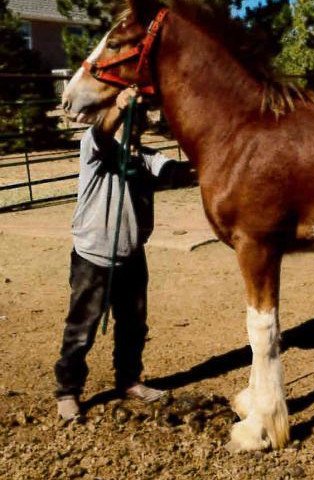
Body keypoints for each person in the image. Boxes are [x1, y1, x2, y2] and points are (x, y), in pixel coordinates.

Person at [55, 87, 192, 421]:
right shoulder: (95, 146)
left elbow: (178, 173)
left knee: (133, 325)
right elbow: (101, 132)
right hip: (94, 256)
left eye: (139, 119)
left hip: (132, 255)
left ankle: (129, 380)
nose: (136, 124)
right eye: (131, 118)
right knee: (82, 328)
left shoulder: (146, 157)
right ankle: (68, 392)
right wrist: (118, 105)